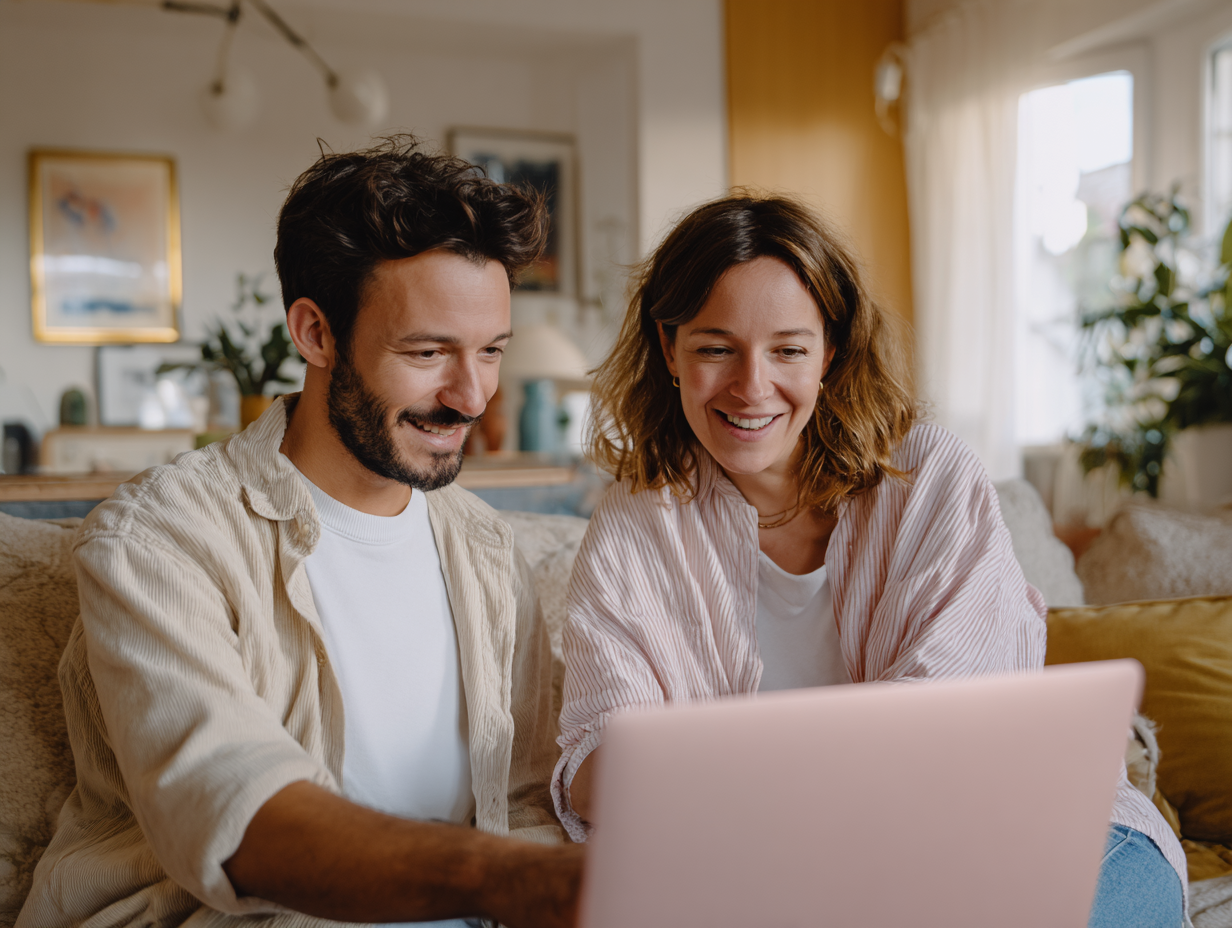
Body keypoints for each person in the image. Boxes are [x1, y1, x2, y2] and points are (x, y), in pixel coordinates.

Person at [552, 195, 1187, 928]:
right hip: (805, 873)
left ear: (831, 353)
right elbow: (594, 768)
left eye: (788, 349)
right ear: (669, 349)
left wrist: (727, 775)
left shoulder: (929, 476)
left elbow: (951, 732)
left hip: (1040, 834)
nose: (751, 385)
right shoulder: (636, 526)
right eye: (715, 347)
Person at [18, 137, 583, 928]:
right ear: (316, 334)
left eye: (490, 351)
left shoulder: (486, 550)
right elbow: (240, 814)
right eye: (428, 352)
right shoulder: (159, 541)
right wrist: (512, 882)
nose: (471, 394)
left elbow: (524, 796)